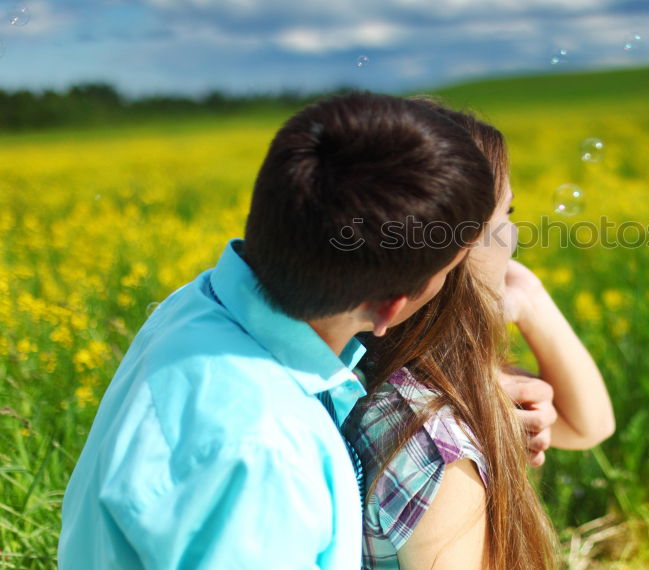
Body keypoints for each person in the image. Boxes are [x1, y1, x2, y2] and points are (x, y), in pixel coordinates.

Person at [58, 91, 505, 569]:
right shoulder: (265, 453)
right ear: (390, 306)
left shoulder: (197, 305)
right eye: (449, 269)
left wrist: (485, 395)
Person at [343, 106, 616, 569]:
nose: (514, 235)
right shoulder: (438, 449)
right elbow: (589, 428)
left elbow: (588, 424)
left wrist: (527, 297)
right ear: (455, 253)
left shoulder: (362, 367)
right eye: (504, 215)